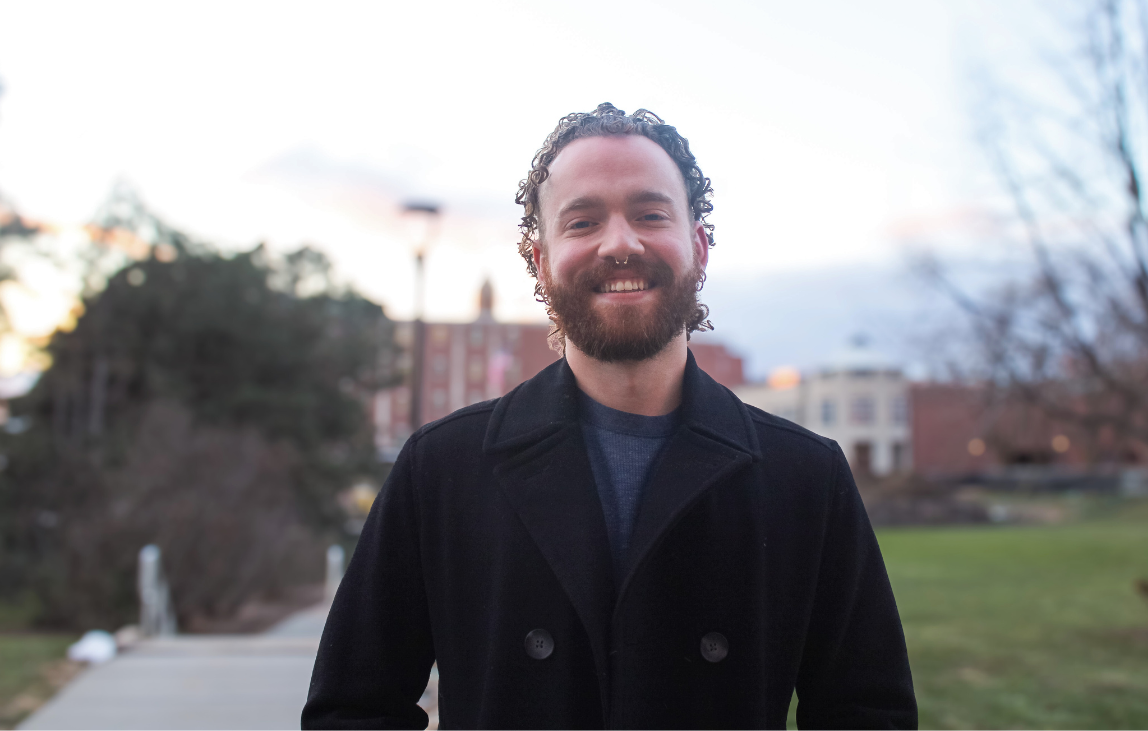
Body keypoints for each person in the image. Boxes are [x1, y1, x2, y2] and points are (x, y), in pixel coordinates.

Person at [302, 103, 917, 729]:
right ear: (540, 260)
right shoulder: (441, 470)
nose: (620, 243)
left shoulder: (806, 477)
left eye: (651, 214)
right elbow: (353, 709)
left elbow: (867, 714)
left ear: (698, 247)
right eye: (583, 221)